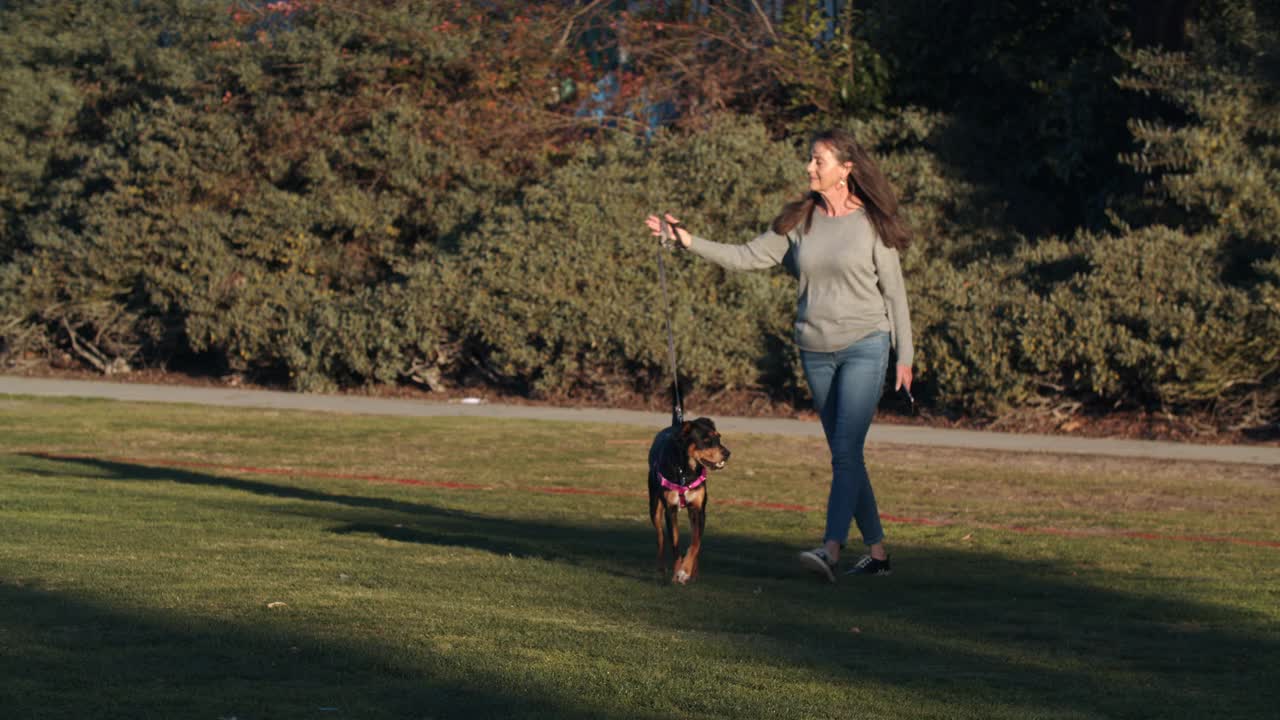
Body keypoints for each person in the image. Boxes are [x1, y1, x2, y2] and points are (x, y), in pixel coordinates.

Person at [644, 128, 914, 582]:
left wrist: (904, 354)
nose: (810, 167)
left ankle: (830, 550)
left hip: (867, 344)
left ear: (846, 170)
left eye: (819, 161)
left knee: (846, 452)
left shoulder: (871, 223)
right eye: (810, 159)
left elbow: (896, 293)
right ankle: (879, 555)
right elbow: (746, 256)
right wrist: (688, 241)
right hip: (816, 351)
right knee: (846, 454)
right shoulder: (799, 221)